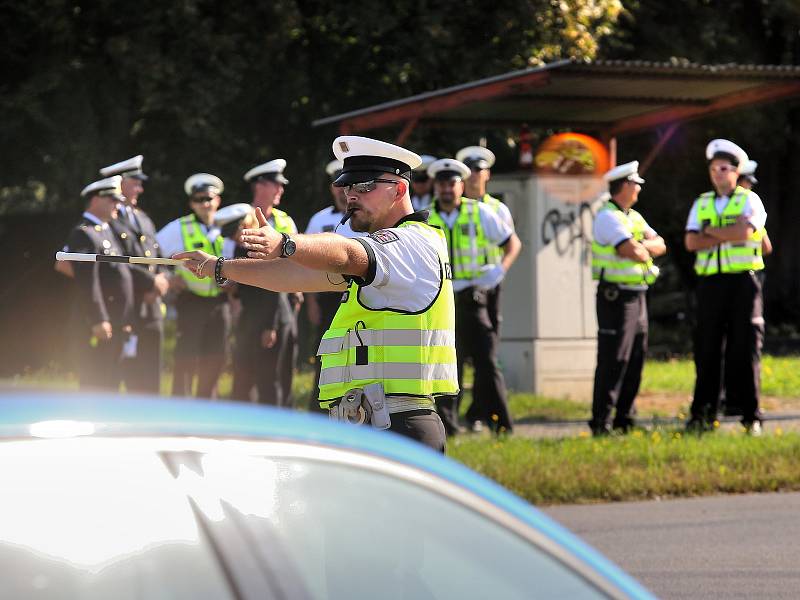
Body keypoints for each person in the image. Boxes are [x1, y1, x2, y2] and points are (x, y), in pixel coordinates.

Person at [176, 136, 458, 452]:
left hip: (398, 426)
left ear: (400, 189)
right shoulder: (392, 251)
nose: (351, 195)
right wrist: (220, 266)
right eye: (348, 187)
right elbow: (295, 274)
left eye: (364, 186)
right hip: (376, 424)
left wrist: (285, 243)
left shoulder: (410, 243)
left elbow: (348, 253)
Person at [426, 158, 521, 436]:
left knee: (487, 362)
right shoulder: (425, 217)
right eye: (442, 184)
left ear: (461, 185)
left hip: (472, 296)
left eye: (452, 183)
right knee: (446, 365)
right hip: (441, 300)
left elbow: (512, 243)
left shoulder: (479, 212)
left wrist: (499, 271)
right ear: (436, 186)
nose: (447, 189)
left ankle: (501, 423)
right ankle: (448, 427)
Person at [684, 139, 767, 435]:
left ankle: (751, 417)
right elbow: (691, 242)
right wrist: (726, 234)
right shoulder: (701, 202)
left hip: (743, 282)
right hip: (710, 285)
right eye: (713, 168)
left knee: (745, 349)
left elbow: (746, 233)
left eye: (723, 168)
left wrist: (710, 231)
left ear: (735, 171)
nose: (717, 174)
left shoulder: (749, 200)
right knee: (707, 350)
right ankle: (703, 416)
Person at [588, 161, 666, 436]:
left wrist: (641, 247)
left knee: (635, 358)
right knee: (613, 359)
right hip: (616, 298)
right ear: (624, 186)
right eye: (635, 185)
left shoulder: (633, 216)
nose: (639, 190)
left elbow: (660, 245)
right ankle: (601, 421)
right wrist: (642, 248)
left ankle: (625, 418)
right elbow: (629, 250)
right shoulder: (608, 216)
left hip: (638, 295)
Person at [156, 173, 233, 398]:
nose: (205, 204)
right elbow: (151, 252)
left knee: (217, 356)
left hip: (220, 303)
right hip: (191, 301)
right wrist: (168, 278)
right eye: (199, 200)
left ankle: (207, 405)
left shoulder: (228, 227)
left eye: (209, 199)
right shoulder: (179, 227)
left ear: (218, 200)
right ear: (191, 203)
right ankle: (181, 408)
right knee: (186, 357)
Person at [100, 155, 169, 394]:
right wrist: (151, 282)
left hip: (150, 310)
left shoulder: (143, 218)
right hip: (126, 308)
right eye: (135, 182)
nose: (140, 188)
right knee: (119, 378)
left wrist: (163, 280)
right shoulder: (108, 221)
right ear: (119, 183)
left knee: (149, 380)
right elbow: (116, 262)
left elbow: (158, 256)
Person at [304, 159, 366, 411]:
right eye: (340, 184)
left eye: (349, 184)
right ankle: (319, 406)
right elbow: (305, 264)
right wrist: (311, 302)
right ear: (333, 187)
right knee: (325, 352)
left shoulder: (367, 218)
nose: (344, 191)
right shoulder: (319, 220)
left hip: (361, 294)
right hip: (328, 296)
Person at [61, 176, 134, 390]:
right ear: (95, 200)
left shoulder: (106, 231)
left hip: (115, 321)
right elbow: (87, 281)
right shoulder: (84, 233)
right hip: (99, 322)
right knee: (96, 384)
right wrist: (98, 318)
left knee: (111, 384)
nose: (118, 205)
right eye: (112, 200)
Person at [241, 158, 301, 406]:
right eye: (276, 185)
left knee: (281, 374)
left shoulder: (285, 220)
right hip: (253, 306)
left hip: (283, 305)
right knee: (250, 376)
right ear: (259, 186)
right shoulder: (243, 218)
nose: (281, 190)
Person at [456, 145, 515, 336]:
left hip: (489, 282)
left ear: (487, 174)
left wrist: (500, 270)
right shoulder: (453, 209)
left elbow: (511, 244)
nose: (474, 175)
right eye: (469, 170)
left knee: (490, 335)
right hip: (460, 284)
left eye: (478, 169)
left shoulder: (498, 209)